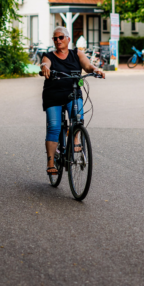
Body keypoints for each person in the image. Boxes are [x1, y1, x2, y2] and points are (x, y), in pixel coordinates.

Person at [40, 26, 104, 176]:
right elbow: (45, 63)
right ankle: (50, 162)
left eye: (61, 37)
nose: (58, 40)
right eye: (55, 38)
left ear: (68, 39)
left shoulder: (77, 54)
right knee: (54, 127)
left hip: (73, 93)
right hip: (53, 96)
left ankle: (76, 138)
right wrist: (44, 68)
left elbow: (88, 66)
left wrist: (96, 70)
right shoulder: (49, 55)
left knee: (78, 118)